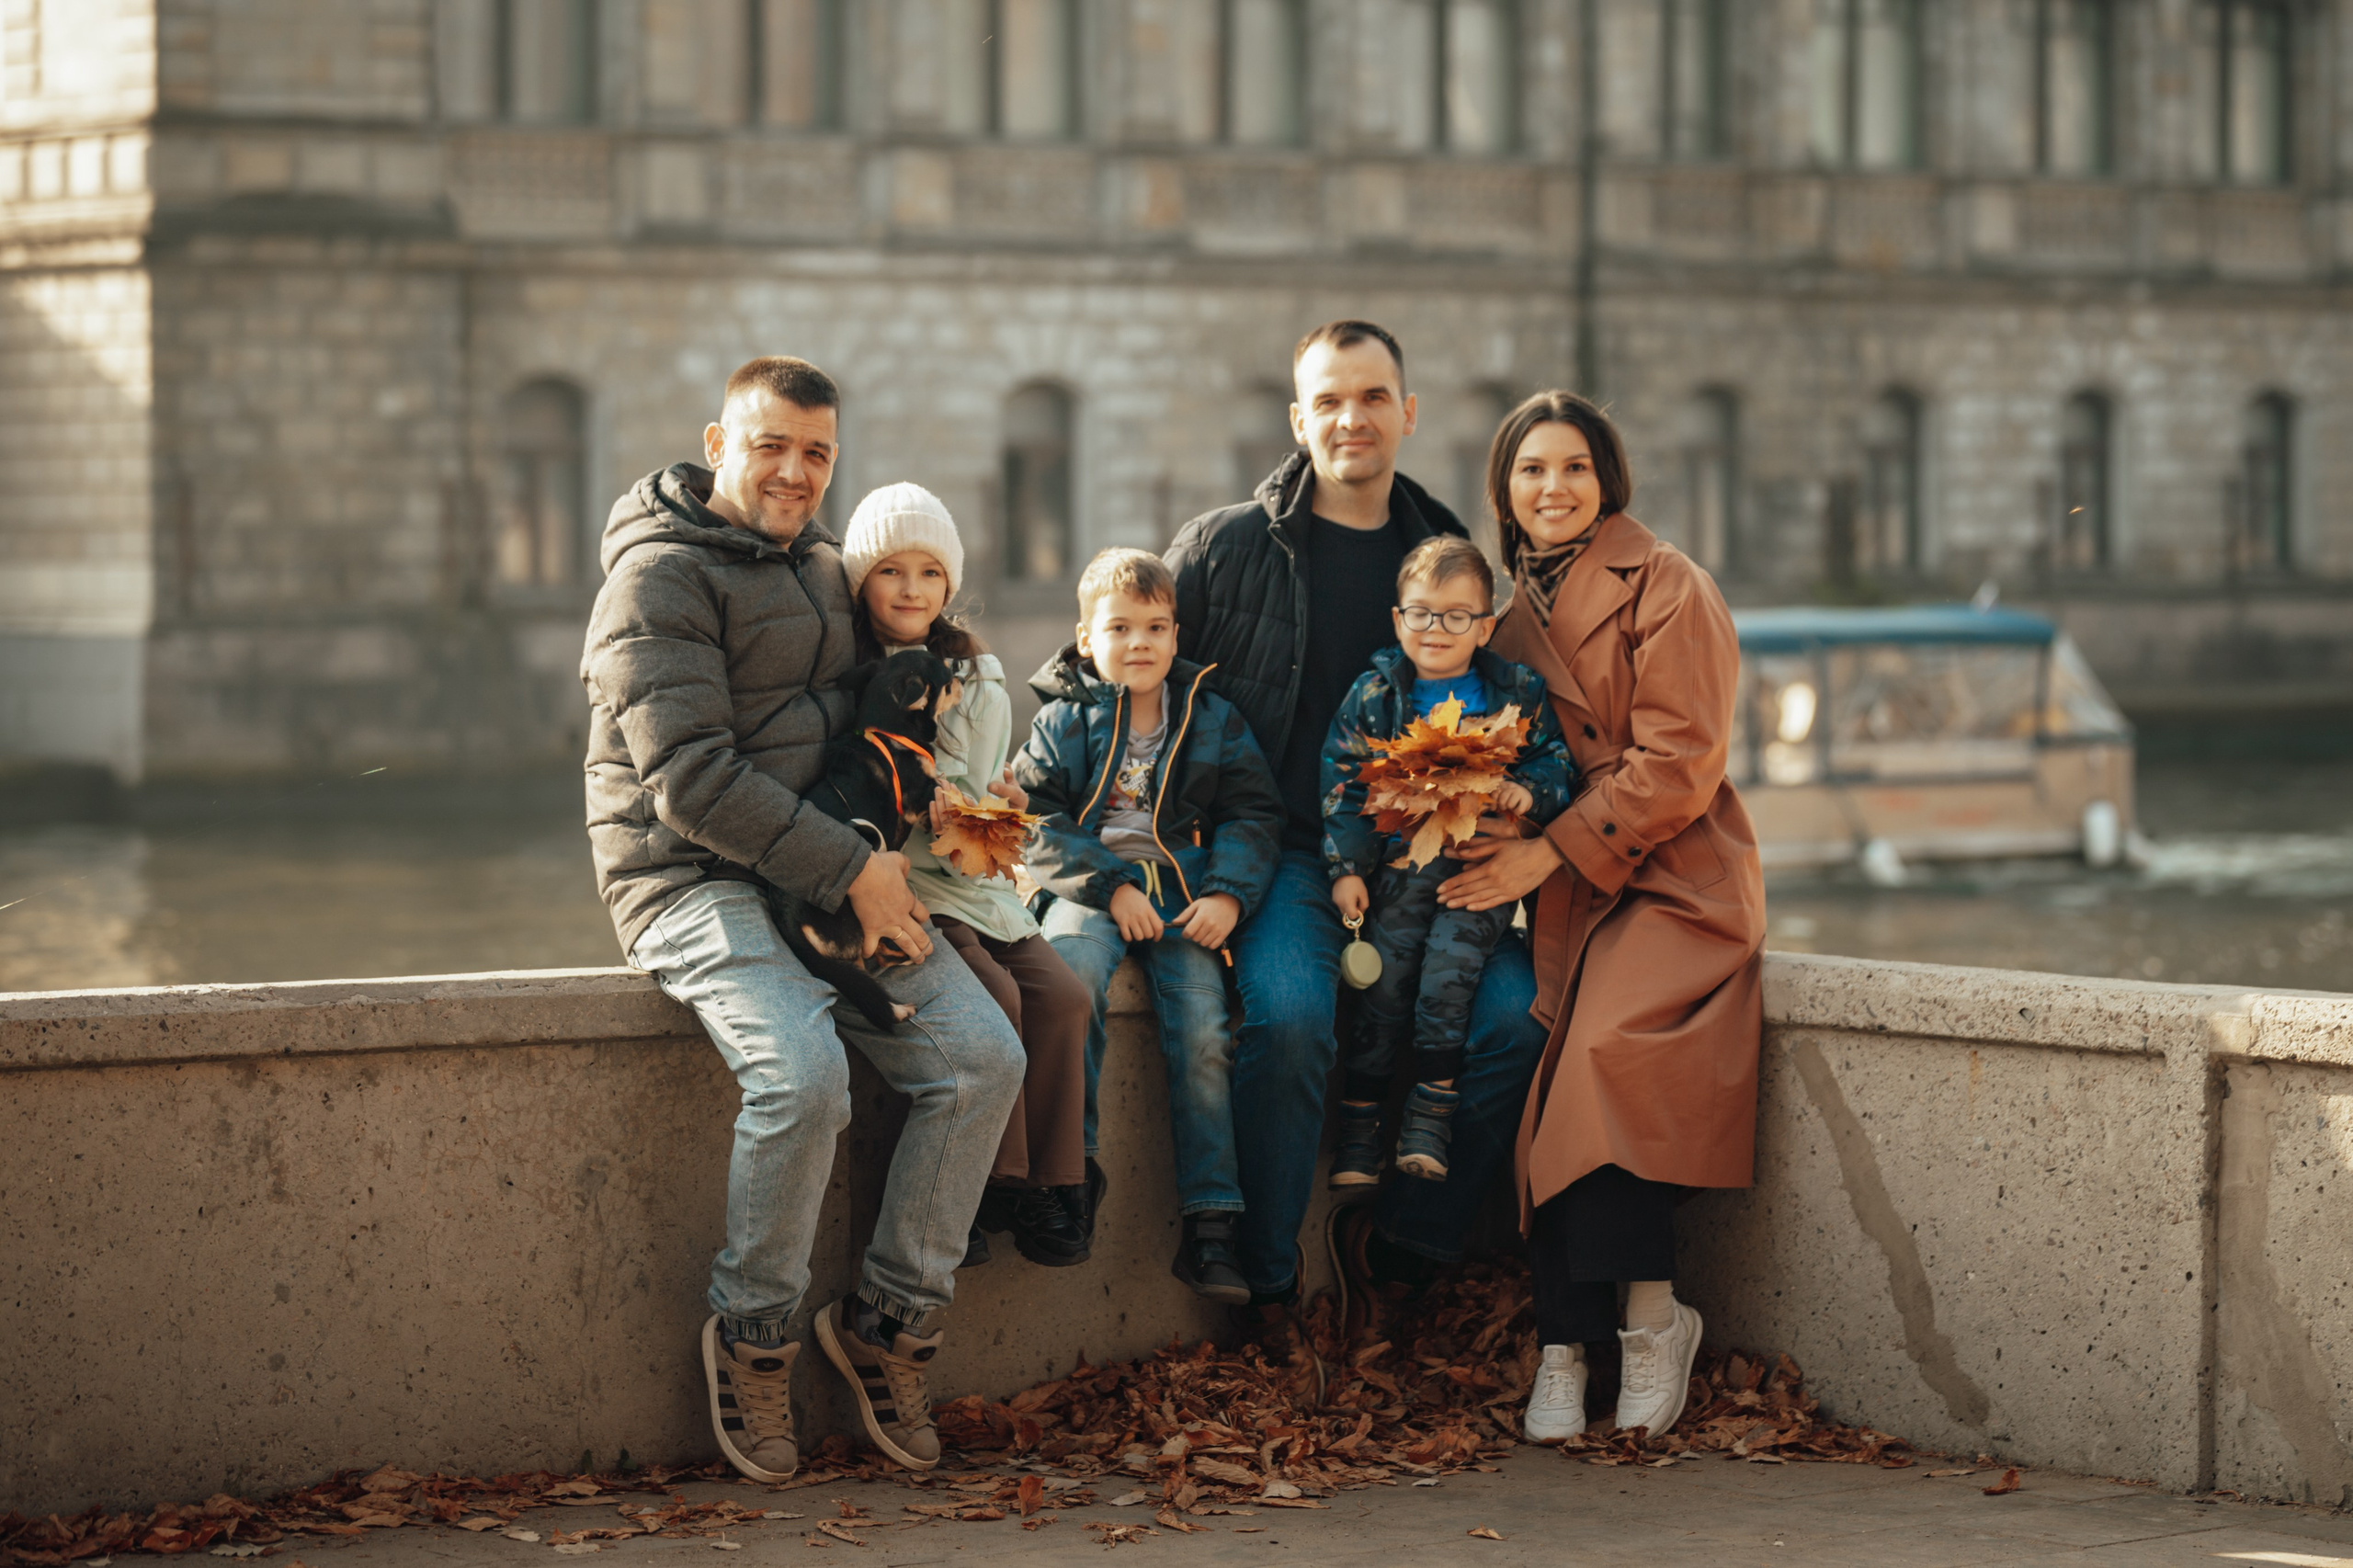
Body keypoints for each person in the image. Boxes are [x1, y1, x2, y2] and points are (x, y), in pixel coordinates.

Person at [579, 358, 1024, 1483]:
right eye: (769, 444)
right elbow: (689, 782)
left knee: (983, 1058)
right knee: (803, 1074)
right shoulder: (658, 579)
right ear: (716, 444)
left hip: (825, 870)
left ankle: (888, 1323)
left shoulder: (826, 565)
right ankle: (754, 1334)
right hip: (689, 876)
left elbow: (899, 699)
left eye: (816, 452)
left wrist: (977, 782)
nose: (793, 470)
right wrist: (854, 869)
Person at [1165, 320, 1550, 1349]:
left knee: (1517, 1021)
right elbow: (1112, 678)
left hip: (1433, 861)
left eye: (1373, 396)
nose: (1352, 418)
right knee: (1292, 1018)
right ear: (1298, 419)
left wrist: (1524, 820)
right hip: (1287, 858)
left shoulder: (1449, 551)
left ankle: (1401, 1250)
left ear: (1407, 413)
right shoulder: (1222, 548)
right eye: (1329, 400)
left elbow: (1520, 711)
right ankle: (1269, 1285)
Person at [1436, 391, 1765, 1443]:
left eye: (1573, 466)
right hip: (1574, 886)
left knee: (1598, 1059)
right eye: (1531, 469)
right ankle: (1565, 1345)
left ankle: (1649, 1317)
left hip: (1676, 877)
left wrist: (1545, 847)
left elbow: (1680, 761)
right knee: (1547, 1081)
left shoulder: (1668, 582)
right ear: (1504, 490)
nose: (1554, 487)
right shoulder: (1505, 617)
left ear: (1607, 479)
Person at [836, 482, 1097, 1272]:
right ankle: (990, 1182)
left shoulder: (976, 669)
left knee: (1064, 996)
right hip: (910, 883)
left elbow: (985, 778)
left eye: (929, 573)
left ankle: (1054, 1178)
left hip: (977, 881)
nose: (910, 590)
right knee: (998, 996)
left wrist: (1002, 802)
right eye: (890, 572)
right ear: (862, 582)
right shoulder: (854, 672)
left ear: (949, 582)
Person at [1015, 549, 1284, 1304]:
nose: (1140, 642)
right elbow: (1036, 821)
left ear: (1176, 634)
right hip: (1093, 887)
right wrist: (1110, 886)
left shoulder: (1211, 716)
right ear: (1085, 637)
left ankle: (1212, 1220)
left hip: (1185, 895)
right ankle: (1068, 1176)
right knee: (1070, 981)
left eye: (1156, 627)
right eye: (1120, 627)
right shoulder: (1062, 718)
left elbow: (1253, 812)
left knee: (1202, 1031)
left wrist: (1228, 894)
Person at [1322, 537, 1574, 1187]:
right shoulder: (1376, 694)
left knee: (1449, 975)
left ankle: (1430, 1114)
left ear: (1485, 626)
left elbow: (1555, 762)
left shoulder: (1516, 693)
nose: (1436, 628)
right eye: (1421, 613)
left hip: (1477, 870)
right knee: (1383, 986)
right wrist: (1345, 870)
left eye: (1457, 616)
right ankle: (1360, 1124)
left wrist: (1530, 792)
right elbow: (1342, 785)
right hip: (1398, 874)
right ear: (1398, 618)